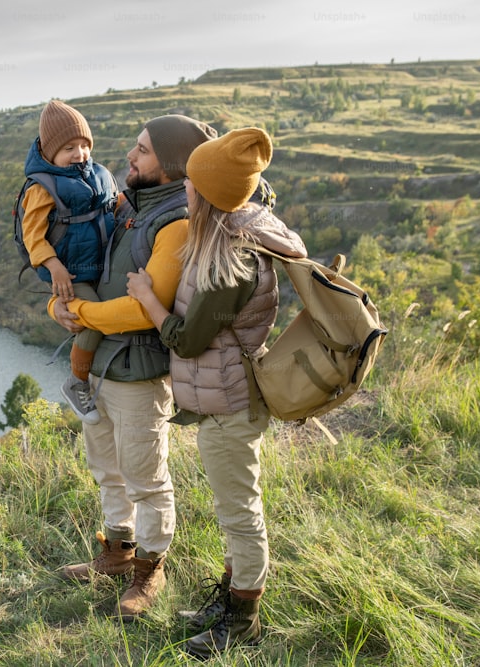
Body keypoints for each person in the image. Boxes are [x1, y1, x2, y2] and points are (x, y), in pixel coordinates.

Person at [125, 127, 307, 657]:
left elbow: (188, 338)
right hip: (228, 397)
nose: (184, 188)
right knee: (234, 509)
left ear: (207, 194)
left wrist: (146, 300)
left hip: (230, 404)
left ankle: (242, 618)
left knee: (240, 514)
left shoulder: (230, 260)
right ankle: (229, 601)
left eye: (192, 183)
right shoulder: (230, 235)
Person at [50, 114, 219, 620]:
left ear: (169, 166)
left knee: (145, 477)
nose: (130, 156)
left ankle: (150, 568)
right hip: (100, 365)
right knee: (107, 471)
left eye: (142, 151)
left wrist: (78, 314)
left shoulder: (177, 222)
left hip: (139, 372)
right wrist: (58, 305)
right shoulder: (129, 206)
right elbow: (88, 273)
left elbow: (144, 306)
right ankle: (117, 554)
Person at [19, 99, 118, 424]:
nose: (79, 154)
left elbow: (114, 207)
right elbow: (33, 235)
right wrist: (54, 266)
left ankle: (94, 379)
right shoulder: (42, 188)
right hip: (70, 272)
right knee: (93, 321)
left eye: (84, 145)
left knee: (101, 315)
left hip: (99, 266)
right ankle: (76, 382)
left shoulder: (98, 174)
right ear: (49, 154)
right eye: (69, 148)